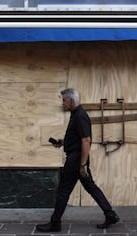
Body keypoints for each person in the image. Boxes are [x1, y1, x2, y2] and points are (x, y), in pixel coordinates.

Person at [36, 88, 119, 232]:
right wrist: (64, 142)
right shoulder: (76, 114)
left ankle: (55, 223)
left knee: (63, 191)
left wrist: (82, 165)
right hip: (77, 158)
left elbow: (86, 140)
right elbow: (78, 137)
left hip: (76, 160)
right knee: (90, 187)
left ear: (72, 101)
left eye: (64, 100)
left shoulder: (80, 115)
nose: (62, 103)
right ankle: (110, 214)